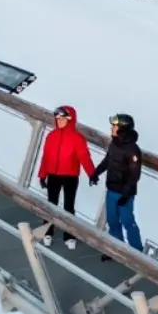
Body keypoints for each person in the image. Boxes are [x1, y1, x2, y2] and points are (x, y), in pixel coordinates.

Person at [37, 105, 96, 250]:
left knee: (68, 207)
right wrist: (42, 174)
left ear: (70, 119)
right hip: (53, 175)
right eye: (57, 118)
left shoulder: (77, 138)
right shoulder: (51, 136)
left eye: (62, 118)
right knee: (51, 205)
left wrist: (91, 173)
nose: (59, 121)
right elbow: (46, 156)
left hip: (70, 176)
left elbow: (84, 157)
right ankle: (47, 232)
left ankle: (69, 236)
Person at [90, 113, 144, 258]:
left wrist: (126, 194)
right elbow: (108, 161)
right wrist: (96, 173)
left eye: (114, 126)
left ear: (122, 129)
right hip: (111, 190)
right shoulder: (114, 144)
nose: (112, 128)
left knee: (128, 222)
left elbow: (135, 175)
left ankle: (138, 253)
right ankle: (116, 249)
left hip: (124, 194)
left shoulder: (133, 150)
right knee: (112, 221)